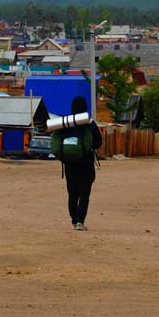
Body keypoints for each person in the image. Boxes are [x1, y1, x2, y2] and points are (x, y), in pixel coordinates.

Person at [53, 95, 102, 231]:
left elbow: (57, 140)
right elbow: (98, 142)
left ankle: (74, 220)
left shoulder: (66, 123)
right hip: (86, 163)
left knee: (72, 193)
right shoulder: (89, 123)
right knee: (84, 193)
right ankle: (80, 221)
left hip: (70, 163)